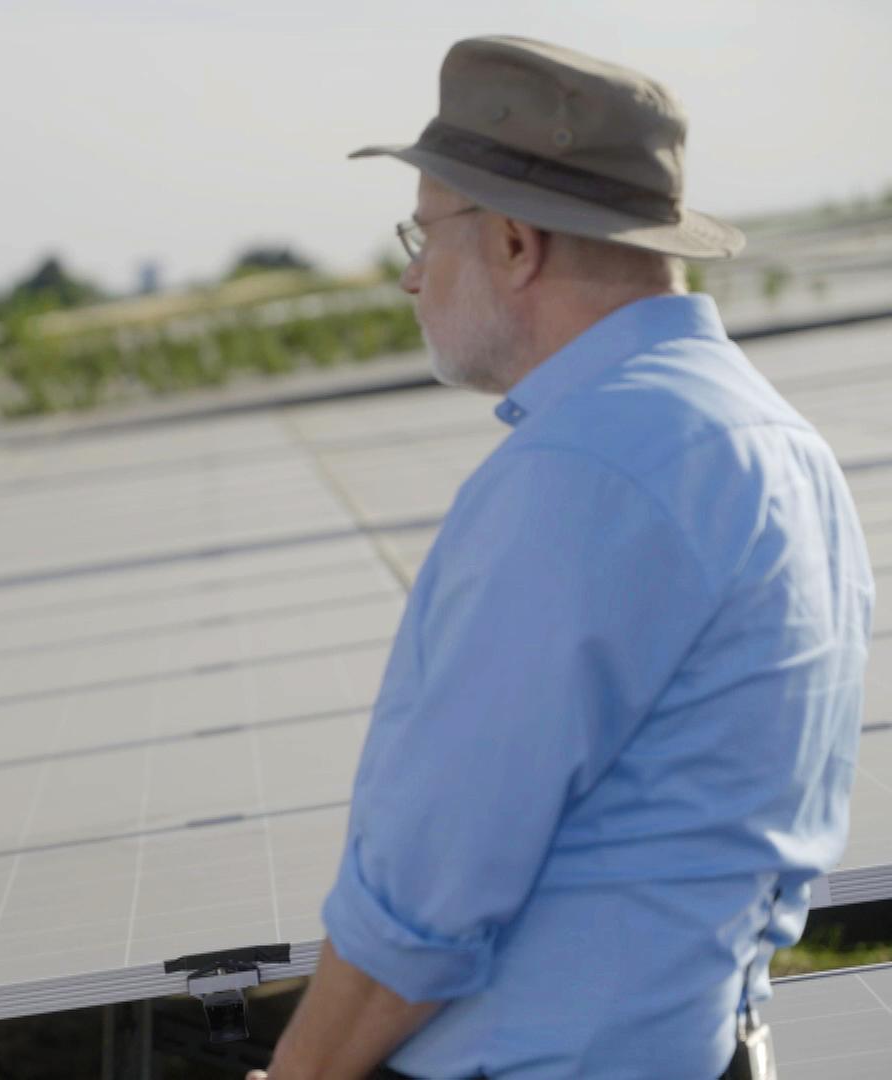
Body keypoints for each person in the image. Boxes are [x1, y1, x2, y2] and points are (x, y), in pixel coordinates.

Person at [253, 37, 872, 1080]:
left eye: (422, 229)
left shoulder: (582, 469)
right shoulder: (781, 446)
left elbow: (425, 899)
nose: (410, 273)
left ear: (512, 244)